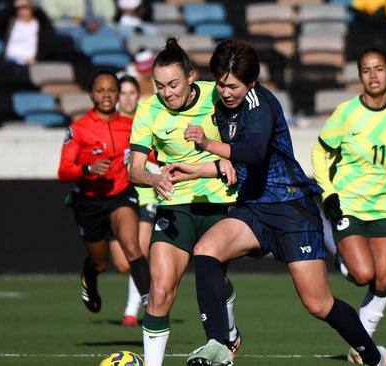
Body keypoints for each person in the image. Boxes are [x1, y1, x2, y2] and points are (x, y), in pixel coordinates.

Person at [166, 39, 386, 366]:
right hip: (253, 207)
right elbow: (235, 164)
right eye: (221, 84)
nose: (226, 92)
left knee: (318, 304)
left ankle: (371, 355)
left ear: (252, 83)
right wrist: (192, 172)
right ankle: (218, 344)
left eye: (234, 86)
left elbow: (253, 153)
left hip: (290, 207)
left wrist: (206, 143)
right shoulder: (217, 98)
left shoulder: (261, 104)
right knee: (205, 251)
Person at [127, 38, 241, 366]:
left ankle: (229, 332)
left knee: (215, 281)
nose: (167, 93)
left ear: (191, 77)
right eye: (159, 86)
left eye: (174, 84)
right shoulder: (148, 109)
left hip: (219, 202)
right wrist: (155, 178)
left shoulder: (217, 96)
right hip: (175, 204)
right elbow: (135, 170)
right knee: (160, 291)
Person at [311, 48, 386, 364]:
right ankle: (345, 262)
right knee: (363, 274)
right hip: (348, 201)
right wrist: (328, 194)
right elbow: (319, 153)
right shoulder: (346, 113)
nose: (372, 75)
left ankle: (362, 346)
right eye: (366, 70)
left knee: (383, 278)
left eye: (378, 69)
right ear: (359, 76)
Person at [57, 70, 150, 317]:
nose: (106, 95)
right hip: (89, 202)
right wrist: (88, 168)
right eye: (100, 90)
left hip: (121, 195)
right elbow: (64, 171)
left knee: (133, 247)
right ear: (91, 95)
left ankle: (152, 305)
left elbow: (152, 154)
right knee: (100, 261)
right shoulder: (79, 129)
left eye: (111, 90)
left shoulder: (130, 126)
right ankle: (90, 277)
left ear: (118, 94)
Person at [111, 74, 157, 327]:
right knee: (121, 261)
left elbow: (156, 155)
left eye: (131, 93)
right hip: (117, 196)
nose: (127, 98)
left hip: (144, 194)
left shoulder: (145, 120)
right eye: (123, 93)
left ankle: (133, 310)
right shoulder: (111, 125)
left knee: (139, 250)